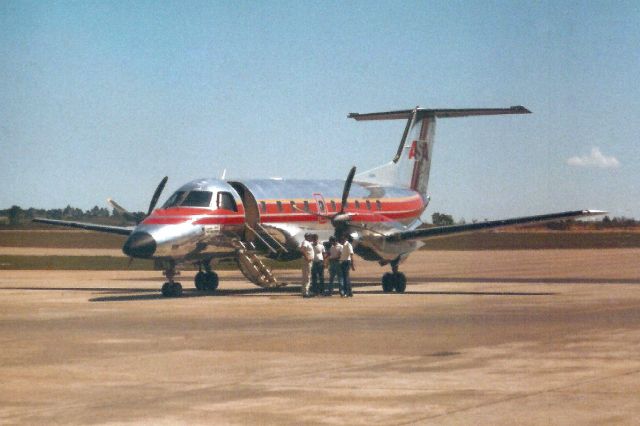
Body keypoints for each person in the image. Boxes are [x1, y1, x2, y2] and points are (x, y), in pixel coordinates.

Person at [299, 233, 314, 297]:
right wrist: (307, 258)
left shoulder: (307, 242)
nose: (311, 238)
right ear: (307, 237)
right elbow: (302, 250)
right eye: (310, 236)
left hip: (308, 261)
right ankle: (306, 292)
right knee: (307, 276)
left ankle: (305, 291)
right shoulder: (305, 242)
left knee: (306, 276)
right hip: (307, 261)